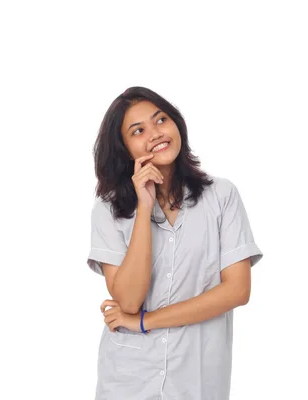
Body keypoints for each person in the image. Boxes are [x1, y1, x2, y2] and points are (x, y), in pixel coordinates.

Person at [86, 86, 263, 399]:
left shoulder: (221, 196)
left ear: (177, 124)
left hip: (196, 378)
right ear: (125, 148)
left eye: (161, 120)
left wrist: (144, 321)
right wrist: (144, 206)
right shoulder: (109, 210)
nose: (154, 134)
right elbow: (127, 301)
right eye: (138, 130)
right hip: (129, 380)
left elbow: (237, 290)